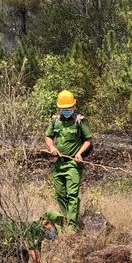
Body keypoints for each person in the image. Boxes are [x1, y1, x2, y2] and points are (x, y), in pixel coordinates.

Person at [45, 90, 93, 236]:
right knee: (60, 195)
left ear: (74, 106)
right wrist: (52, 147)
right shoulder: (55, 121)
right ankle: (67, 219)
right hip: (59, 164)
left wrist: (79, 153)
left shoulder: (80, 120)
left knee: (72, 195)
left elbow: (88, 140)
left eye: (69, 108)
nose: (66, 111)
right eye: (63, 109)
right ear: (59, 108)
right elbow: (48, 136)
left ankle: (71, 226)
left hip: (73, 164)